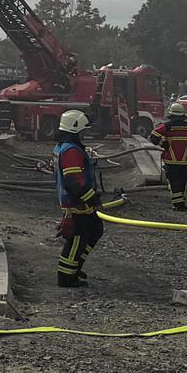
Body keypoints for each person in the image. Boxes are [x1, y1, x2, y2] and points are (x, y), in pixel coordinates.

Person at [54, 108, 104, 288]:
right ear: (75, 129)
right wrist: (91, 198)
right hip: (76, 203)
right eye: (83, 130)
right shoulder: (71, 151)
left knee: (96, 229)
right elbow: (73, 182)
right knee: (78, 237)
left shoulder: (66, 146)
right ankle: (66, 277)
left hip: (80, 202)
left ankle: (75, 266)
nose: (85, 133)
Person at [156, 100, 187, 211]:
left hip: (171, 160)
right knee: (182, 182)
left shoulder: (166, 126)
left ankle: (178, 204)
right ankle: (181, 203)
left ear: (171, 114)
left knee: (173, 182)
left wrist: (163, 143)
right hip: (186, 161)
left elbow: (153, 137)